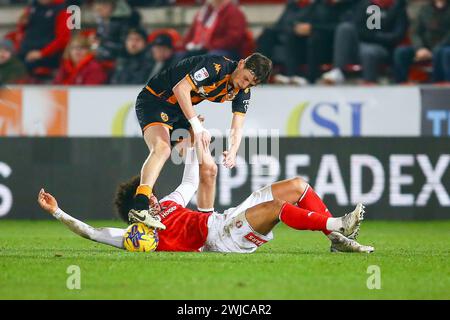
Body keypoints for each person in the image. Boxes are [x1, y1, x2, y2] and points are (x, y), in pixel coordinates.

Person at [38, 145, 374, 254]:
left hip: (225, 218)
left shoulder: (167, 204)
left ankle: (336, 240)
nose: (153, 199)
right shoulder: (136, 236)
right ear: (134, 211)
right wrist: (57, 212)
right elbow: (92, 233)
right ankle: (337, 224)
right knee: (276, 209)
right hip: (220, 238)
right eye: (146, 198)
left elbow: (189, 181)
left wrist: (191, 144)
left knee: (297, 186)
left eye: (151, 194)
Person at [129, 52, 272, 228]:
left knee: (209, 169)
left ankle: (206, 227)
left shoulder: (242, 91)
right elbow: (180, 89)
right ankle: (140, 204)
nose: (245, 85)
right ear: (241, 64)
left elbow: (237, 124)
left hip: (180, 112)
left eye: (251, 84)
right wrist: (196, 125)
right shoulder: (215, 66)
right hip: (155, 100)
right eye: (246, 79)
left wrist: (233, 151)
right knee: (163, 148)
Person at [322, 0, 408, 84]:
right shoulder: (366, 5)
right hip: (361, 43)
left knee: (368, 52)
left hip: (384, 47)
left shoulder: (398, 7)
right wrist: (369, 34)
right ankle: (338, 71)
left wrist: (375, 36)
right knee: (345, 28)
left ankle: (370, 84)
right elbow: (358, 26)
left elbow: (397, 36)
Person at [393, 0, 450, 83]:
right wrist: (419, 48)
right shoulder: (425, 9)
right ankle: (401, 83)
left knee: (443, 52)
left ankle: (440, 83)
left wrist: (435, 50)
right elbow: (415, 32)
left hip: (444, 46)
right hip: (425, 47)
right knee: (401, 52)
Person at [17, 0, 71, 77]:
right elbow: (22, 32)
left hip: (48, 56)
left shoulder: (62, 10)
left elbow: (63, 40)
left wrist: (42, 53)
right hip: (26, 52)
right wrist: (22, 24)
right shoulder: (32, 7)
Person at [182, 0, 248, 60]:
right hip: (202, 48)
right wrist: (184, 46)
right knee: (180, 55)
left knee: (211, 57)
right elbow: (191, 34)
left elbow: (233, 38)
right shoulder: (204, 13)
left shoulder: (234, 12)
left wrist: (209, 46)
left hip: (227, 50)